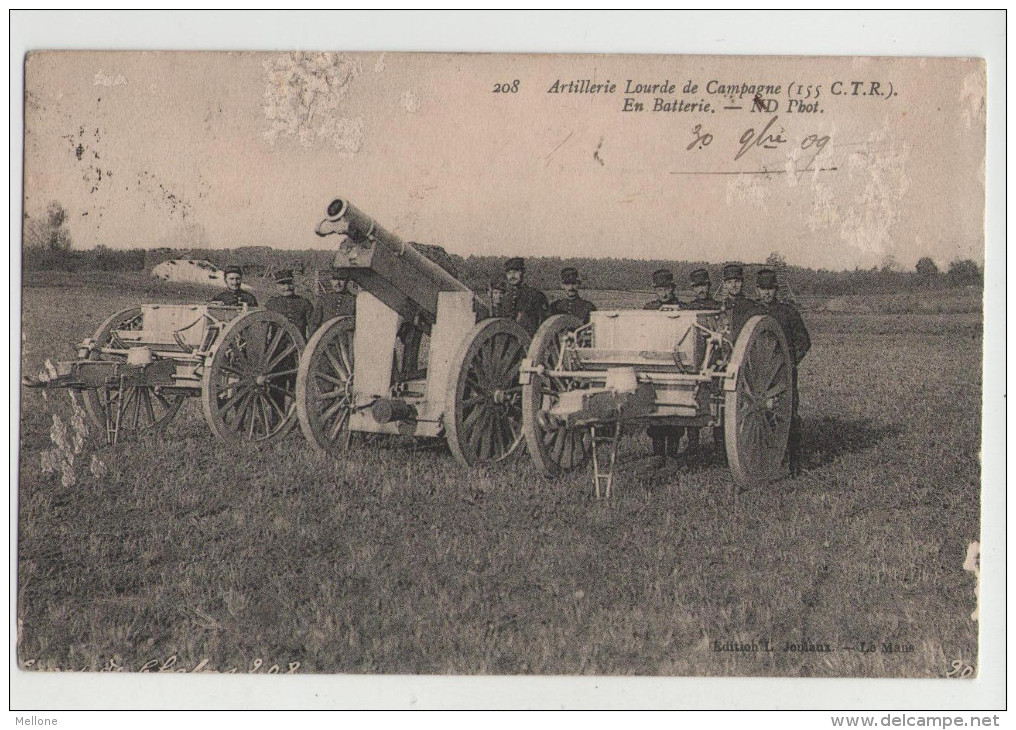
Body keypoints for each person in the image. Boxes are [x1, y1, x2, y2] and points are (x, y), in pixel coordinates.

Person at [755, 268, 811, 476]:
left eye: (770, 289)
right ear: (757, 290)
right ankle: (767, 459)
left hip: (783, 372)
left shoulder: (788, 312)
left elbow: (803, 341)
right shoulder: (753, 313)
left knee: (789, 413)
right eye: (763, 289)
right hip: (759, 373)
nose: (767, 293)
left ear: (776, 290)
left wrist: (790, 363)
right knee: (761, 415)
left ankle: (795, 461)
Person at [642, 269, 682, 466]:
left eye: (666, 289)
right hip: (654, 362)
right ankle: (658, 453)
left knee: (675, 408)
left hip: (676, 362)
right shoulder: (649, 309)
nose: (663, 293)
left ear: (672, 289)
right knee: (655, 406)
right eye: (660, 289)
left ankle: (673, 454)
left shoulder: (682, 309)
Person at [495, 257, 548, 336]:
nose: (512, 275)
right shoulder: (505, 297)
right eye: (509, 273)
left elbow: (544, 323)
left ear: (523, 272)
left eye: (515, 271)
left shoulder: (535, 295)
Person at [265, 269, 314, 340]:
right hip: (277, 348)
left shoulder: (304, 303)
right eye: (282, 284)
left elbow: (313, 327)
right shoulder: (271, 304)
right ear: (277, 286)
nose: (287, 287)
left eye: (289, 283)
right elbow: (263, 329)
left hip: (299, 347)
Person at [721, 262, 761, 341]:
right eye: (729, 282)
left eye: (737, 281)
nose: (733, 285)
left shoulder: (752, 307)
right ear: (725, 284)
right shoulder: (721, 306)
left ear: (742, 282)